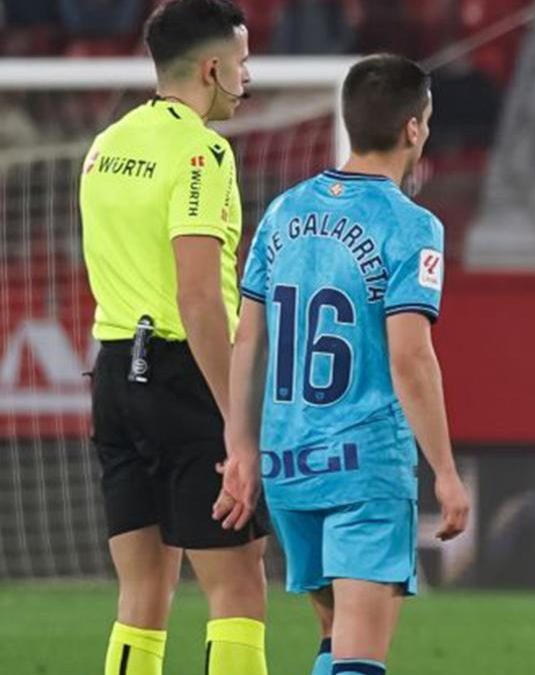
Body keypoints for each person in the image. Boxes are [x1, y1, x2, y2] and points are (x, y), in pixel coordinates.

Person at [214, 54, 471, 675]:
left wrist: (242, 448)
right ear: (414, 128)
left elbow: (248, 339)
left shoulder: (282, 212)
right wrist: (444, 469)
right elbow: (410, 356)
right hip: (362, 465)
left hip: (288, 463)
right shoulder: (411, 226)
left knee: (334, 636)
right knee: (360, 651)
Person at [78, 1, 270, 674]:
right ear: (213, 68)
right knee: (239, 582)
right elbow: (197, 296)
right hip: (184, 376)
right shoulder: (202, 151)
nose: (248, 79)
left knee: (142, 592)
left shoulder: (108, 144)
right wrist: (236, 422)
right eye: (242, 64)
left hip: (111, 373)